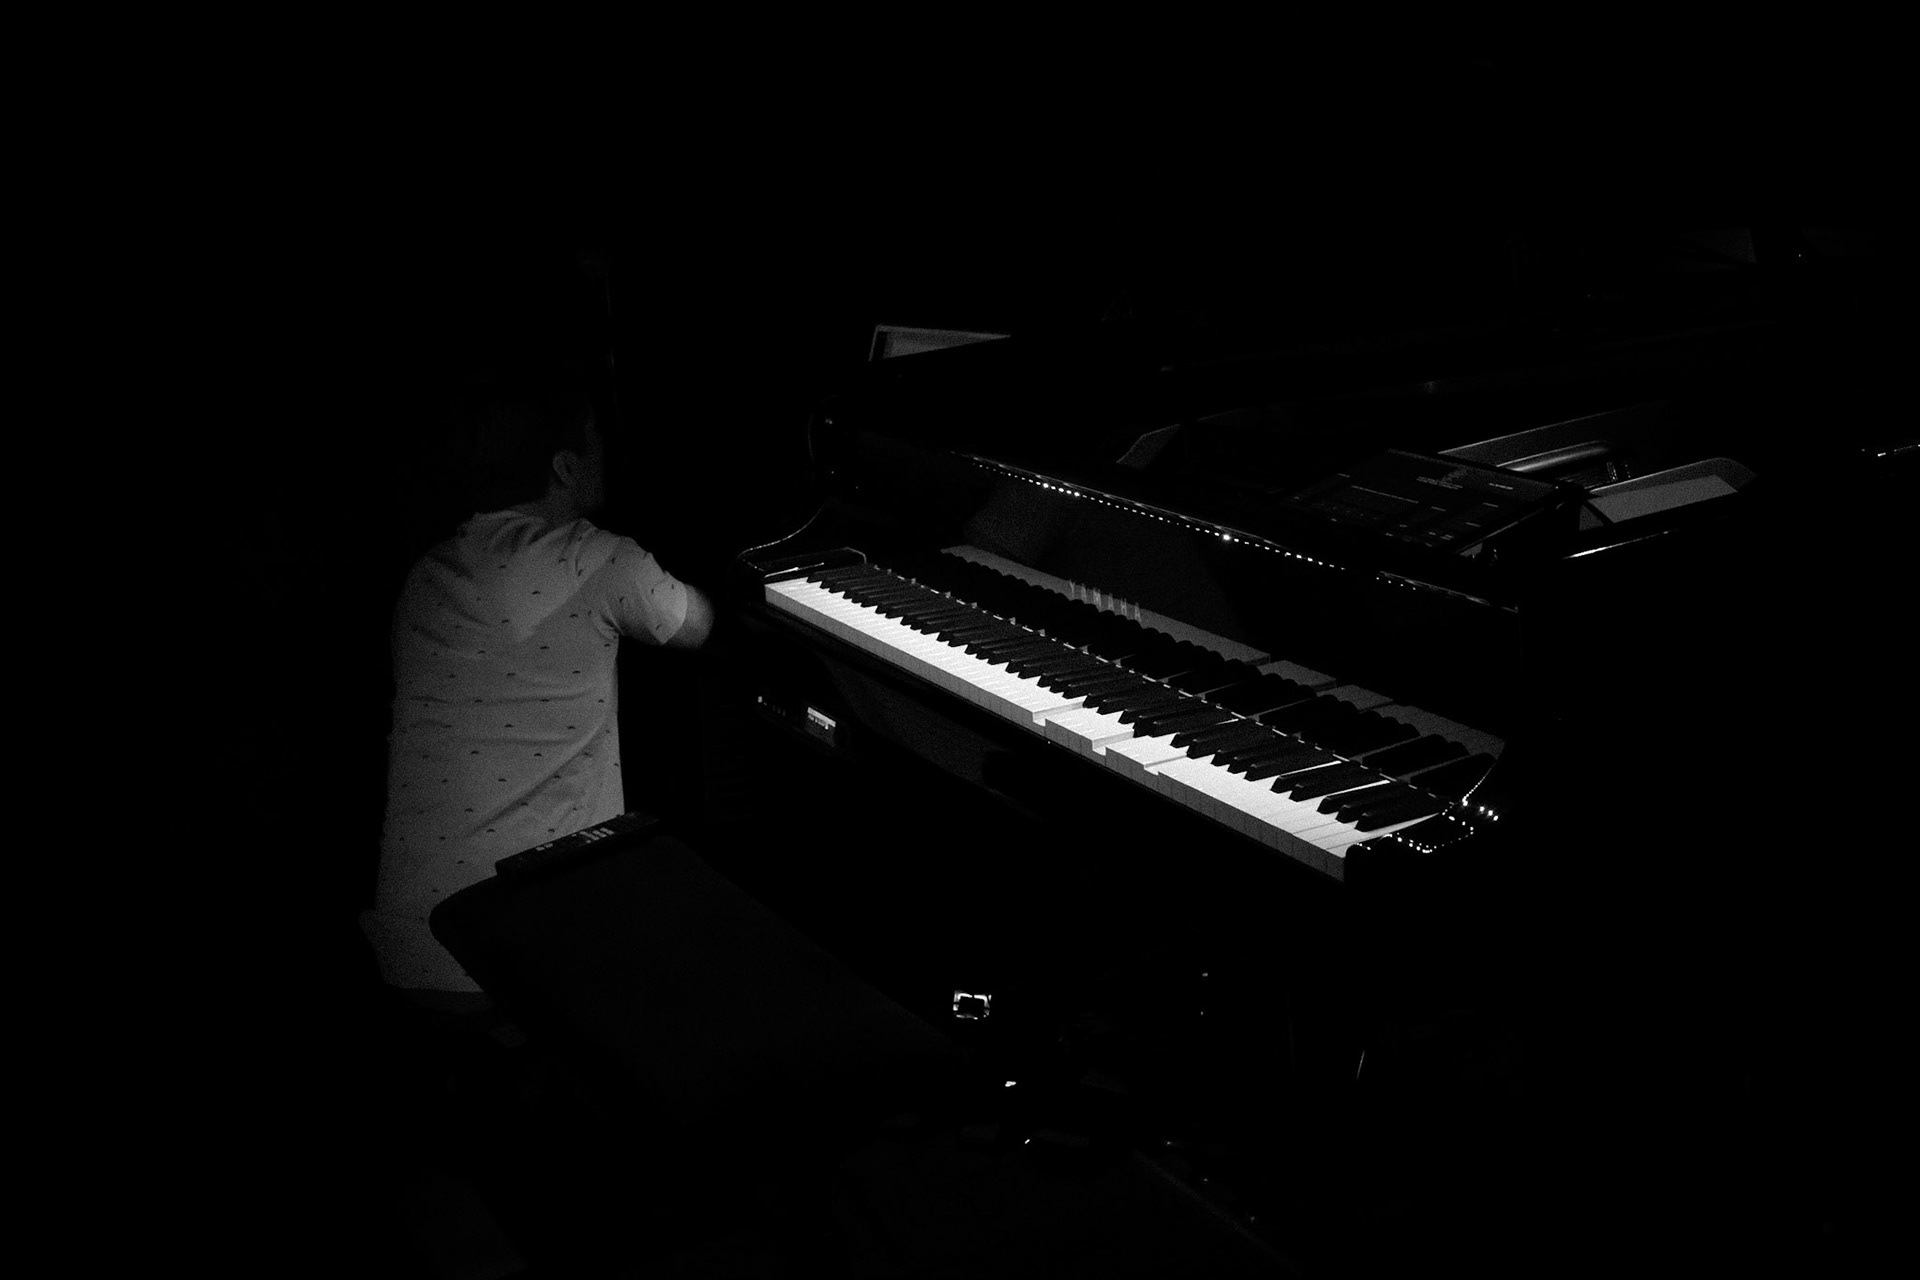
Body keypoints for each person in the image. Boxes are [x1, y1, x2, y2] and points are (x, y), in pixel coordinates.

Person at [360, 369, 714, 1008]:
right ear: (565, 466)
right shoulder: (597, 557)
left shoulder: (427, 573)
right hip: (522, 956)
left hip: (414, 945)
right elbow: (697, 626)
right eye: (597, 441)